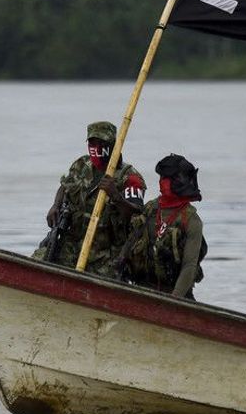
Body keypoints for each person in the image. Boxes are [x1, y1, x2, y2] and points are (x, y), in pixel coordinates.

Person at [33, 121, 145, 277]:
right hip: (71, 244)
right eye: (92, 142)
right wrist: (55, 205)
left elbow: (136, 215)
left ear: (114, 145)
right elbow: (65, 186)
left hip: (105, 254)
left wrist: (115, 196)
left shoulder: (130, 178)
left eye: (102, 143)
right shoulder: (81, 165)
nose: (96, 147)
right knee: (38, 263)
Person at [122, 154, 206, 299]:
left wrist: (173, 301)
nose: (162, 182)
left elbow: (189, 266)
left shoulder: (191, 221)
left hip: (176, 294)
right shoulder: (151, 209)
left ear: (179, 181)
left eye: (166, 178)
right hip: (144, 289)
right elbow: (131, 242)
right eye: (161, 177)